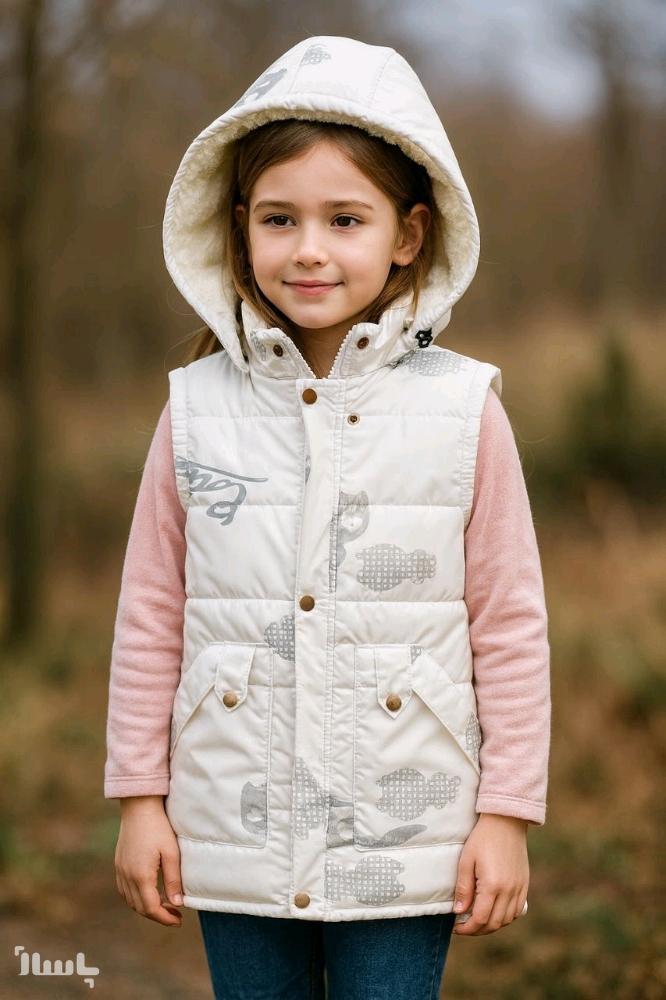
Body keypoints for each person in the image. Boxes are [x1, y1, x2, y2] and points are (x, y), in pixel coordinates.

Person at [104, 35, 551, 999]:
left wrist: (506, 813)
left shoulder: (464, 410)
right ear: (240, 231)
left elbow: (510, 623)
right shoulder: (195, 409)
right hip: (233, 824)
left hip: (406, 833)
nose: (309, 248)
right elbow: (150, 613)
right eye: (280, 219)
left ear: (409, 235)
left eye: (345, 219)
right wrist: (141, 800)